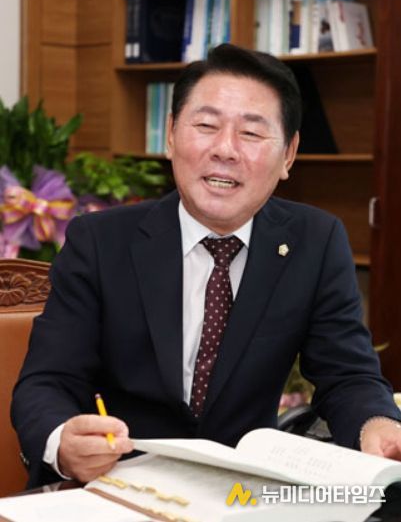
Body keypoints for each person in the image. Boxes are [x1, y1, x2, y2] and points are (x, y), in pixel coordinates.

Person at [11, 44, 401, 488]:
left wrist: (377, 427)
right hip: (115, 486)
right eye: (206, 126)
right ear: (171, 134)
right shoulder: (99, 241)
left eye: (251, 133)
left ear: (289, 154)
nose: (225, 149)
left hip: (239, 493)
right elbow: (47, 381)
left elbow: (347, 374)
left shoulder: (315, 241)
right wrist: (62, 442)